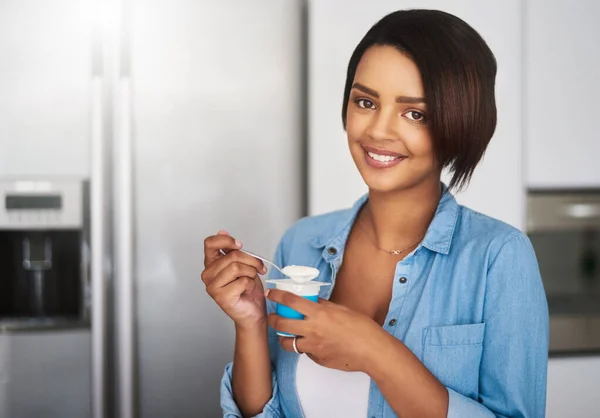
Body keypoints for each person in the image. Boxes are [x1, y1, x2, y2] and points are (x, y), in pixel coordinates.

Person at [201, 9, 548, 418]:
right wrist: (251, 324)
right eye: (365, 101)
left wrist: (375, 351)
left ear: (460, 123)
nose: (378, 131)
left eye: (414, 113)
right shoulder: (302, 242)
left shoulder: (500, 258)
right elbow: (267, 411)